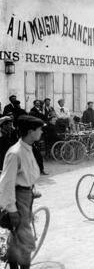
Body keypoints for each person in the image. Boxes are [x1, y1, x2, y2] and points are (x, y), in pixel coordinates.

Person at [0, 115, 43, 269]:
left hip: (26, 194)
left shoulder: (28, 148)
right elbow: (6, 184)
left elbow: (27, 173)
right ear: (31, 131)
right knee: (25, 240)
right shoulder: (15, 153)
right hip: (19, 199)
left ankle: (13, 265)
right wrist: (11, 210)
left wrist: (31, 190)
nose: (41, 132)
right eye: (39, 129)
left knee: (17, 237)